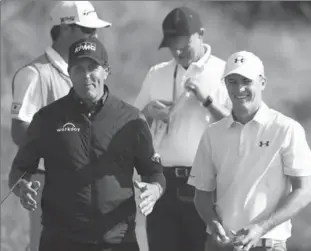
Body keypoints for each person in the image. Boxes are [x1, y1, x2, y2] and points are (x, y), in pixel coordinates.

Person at [8, 36, 166, 251]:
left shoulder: (131, 119)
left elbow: (154, 172)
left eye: (93, 67)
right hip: (61, 241)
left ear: (106, 71)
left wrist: (154, 189)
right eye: (78, 69)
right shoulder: (47, 118)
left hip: (118, 241)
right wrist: (22, 188)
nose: (86, 76)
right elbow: (19, 169)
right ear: (69, 73)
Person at [10, 2, 111, 250]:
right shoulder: (35, 73)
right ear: (65, 29)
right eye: (88, 30)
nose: (95, 36)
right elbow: (19, 130)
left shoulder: (86, 72)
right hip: (48, 180)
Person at [188, 51, 311, 251]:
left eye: (247, 81)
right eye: (232, 81)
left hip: (267, 245)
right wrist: (211, 223)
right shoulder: (213, 134)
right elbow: (201, 194)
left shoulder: (286, 129)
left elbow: (303, 192)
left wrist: (261, 228)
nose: (240, 89)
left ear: (262, 82)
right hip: (222, 246)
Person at [134, 7, 230, 251]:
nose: (177, 52)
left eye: (183, 45)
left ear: (201, 34)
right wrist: (148, 112)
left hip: (206, 185)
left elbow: (242, 127)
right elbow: (132, 123)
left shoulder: (225, 73)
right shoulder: (157, 73)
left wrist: (208, 101)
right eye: (171, 46)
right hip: (161, 183)